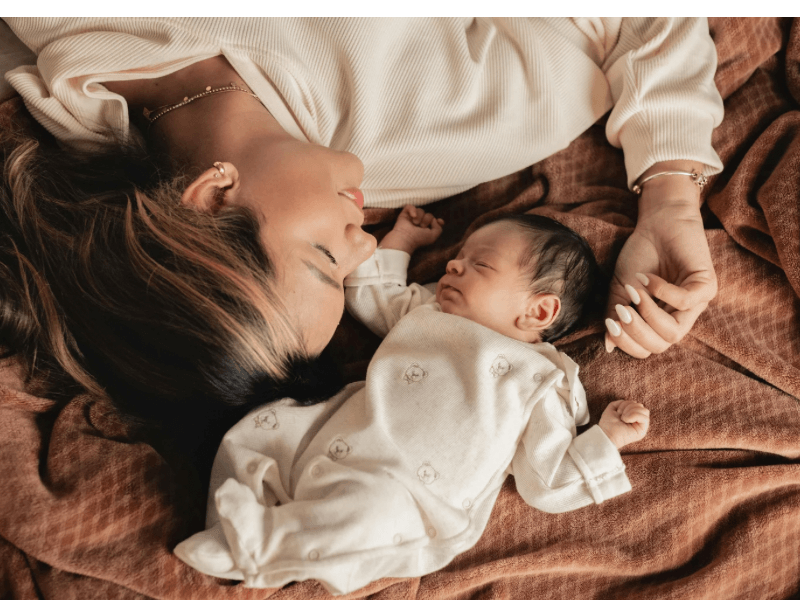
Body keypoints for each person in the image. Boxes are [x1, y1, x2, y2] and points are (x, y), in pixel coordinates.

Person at [0, 18, 720, 429]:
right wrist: (670, 198)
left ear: (211, 198)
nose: (368, 240)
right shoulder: (449, 124)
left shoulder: (64, 45)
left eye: (322, 257)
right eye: (351, 273)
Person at [173, 207, 651, 595]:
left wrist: (606, 437)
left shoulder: (543, 380)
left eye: (480, 264)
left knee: (364, 515)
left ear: (539, 310)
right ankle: (226, 524)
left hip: (411, 493)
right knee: (261, 429)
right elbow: (371, 294)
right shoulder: (429, 309)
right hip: (337, 430)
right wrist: (403, 240)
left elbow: (545, 482)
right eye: (458, 257)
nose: (453, 265)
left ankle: (260, 549)